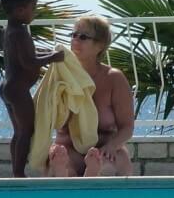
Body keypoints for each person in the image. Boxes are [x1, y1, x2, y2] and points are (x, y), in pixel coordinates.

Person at [47, 15, 134, 177]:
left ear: (99, 45)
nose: (76, 40)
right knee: (61, 166)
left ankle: (92, 173)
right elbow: (45, 117)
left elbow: (127, 127)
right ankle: (72, 175)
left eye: (83, 37)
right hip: (68, 150)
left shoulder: (113, 78)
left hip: (104, 149)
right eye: (74, 35)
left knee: (107, 167)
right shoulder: (60, 76)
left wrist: (111, 145)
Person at [0, 0, 65, 177]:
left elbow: (25, 55)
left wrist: (47, 53)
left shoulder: (10, 30)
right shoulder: (20, 33)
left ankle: (16, 171)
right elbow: (29, 61)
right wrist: (53, 58)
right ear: (20, 10)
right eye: (33, 8)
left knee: (19, 132)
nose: (34, 13)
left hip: (8, 88)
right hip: (18, 91)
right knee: (27, 131)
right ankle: (19, 173)